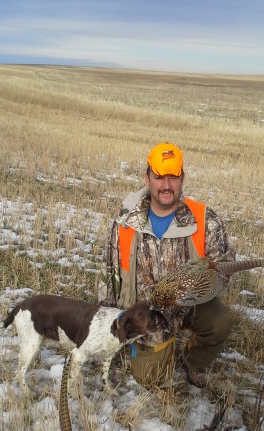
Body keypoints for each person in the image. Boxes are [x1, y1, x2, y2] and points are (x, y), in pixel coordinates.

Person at [98, 142, 235, 387]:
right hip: (145, 314)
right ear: (147, 177)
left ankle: (194, 361)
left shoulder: (204, 219)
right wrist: (110, 325)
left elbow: (225, 266)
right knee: (152, 378)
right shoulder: (126, 221)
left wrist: (195, 290)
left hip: (190, 307)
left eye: (173, 177)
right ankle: (158, 348)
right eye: (160, 177)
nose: (166, 185)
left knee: (219, 321)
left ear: (182, 178)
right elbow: (109, 274)